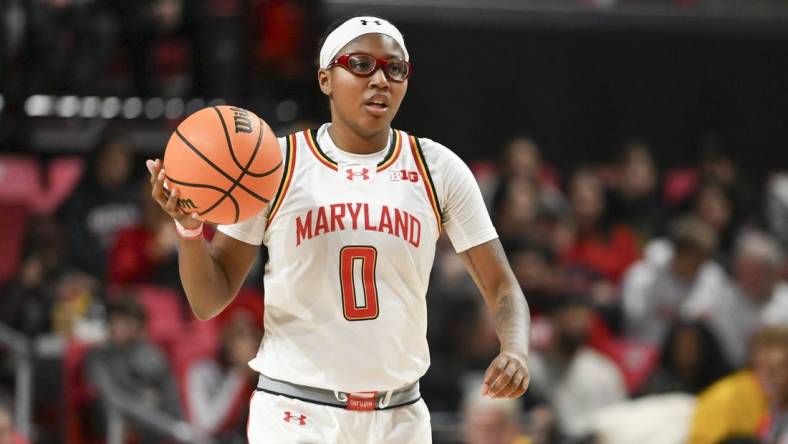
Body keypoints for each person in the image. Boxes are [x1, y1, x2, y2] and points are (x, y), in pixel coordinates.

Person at [145, 16, 531, 443]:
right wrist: (188, 227)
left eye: (395, 68)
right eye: (362, 64)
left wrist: (515, 347)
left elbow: (503, 288)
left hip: (398, 416)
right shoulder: (274, 164)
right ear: (325, 79)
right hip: (295, 412)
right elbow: (209, 299)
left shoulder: (437, 168)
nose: (381, 79)